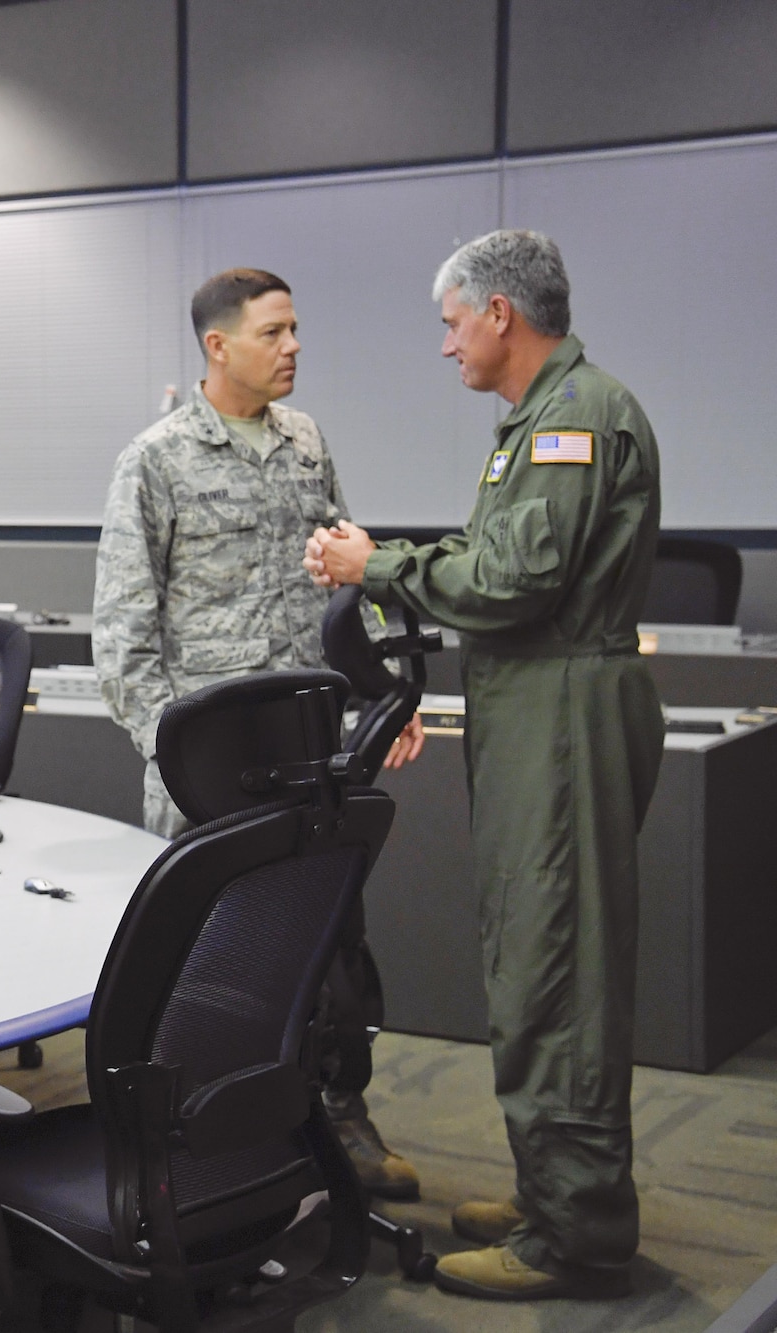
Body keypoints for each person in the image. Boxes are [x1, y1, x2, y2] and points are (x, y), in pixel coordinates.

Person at [304, 229, 664, 1301]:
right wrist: (391, 566)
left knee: (557, 968)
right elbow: (500, 562)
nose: (447, 344)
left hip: (562, 713)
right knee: (532, 951)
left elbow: (512, 583)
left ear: (500, 313)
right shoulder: (540, 416)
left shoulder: (573, 418)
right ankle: (554, 1189)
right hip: (537, 710)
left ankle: (576, 1236)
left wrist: (379, 567)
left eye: (452, 322)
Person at [92, 267, 422, 1200]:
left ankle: (340, 1116)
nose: (293, 347)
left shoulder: (305, 442)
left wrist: (381, 695)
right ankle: (211, 1153)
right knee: (211, 968)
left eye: (294, 329)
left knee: (331, 947)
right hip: (213, 770)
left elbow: (346, 581)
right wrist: (175, 756)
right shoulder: (155, 459)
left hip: (312, 751)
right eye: (273, 332)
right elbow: (122, 634)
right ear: (218, 345)